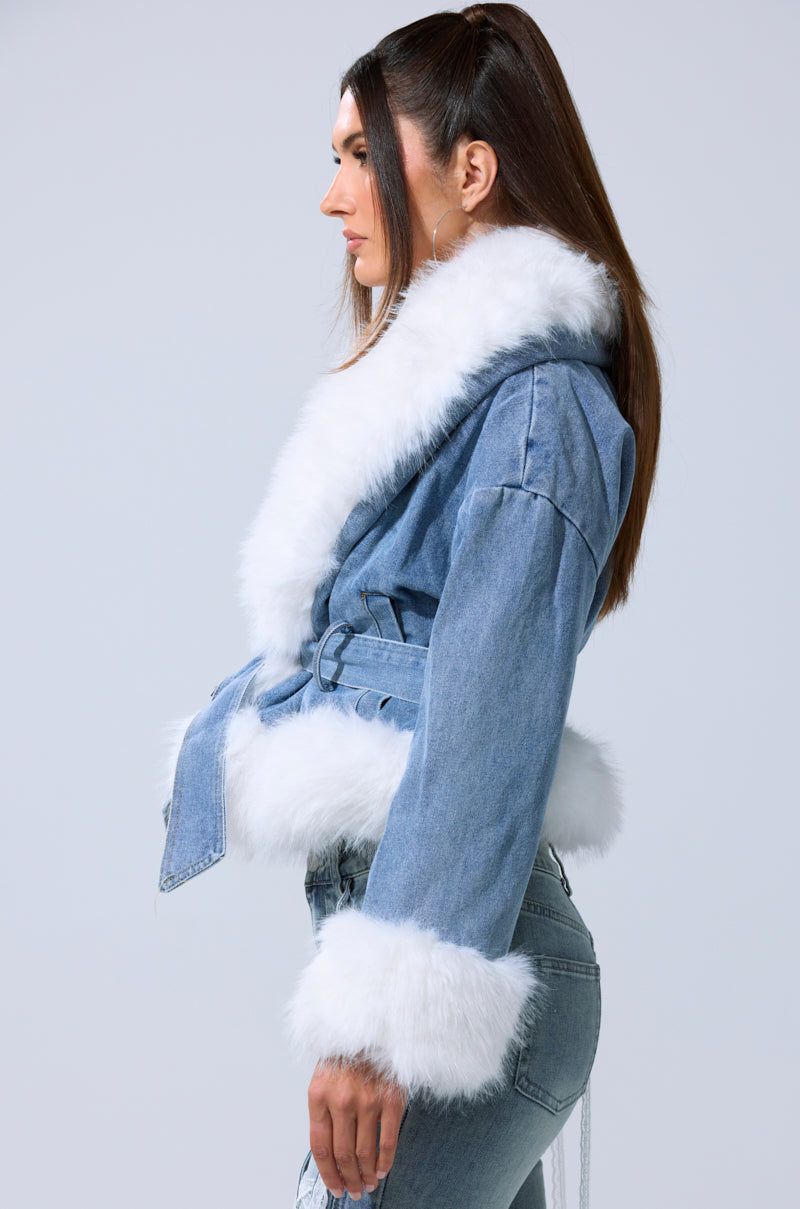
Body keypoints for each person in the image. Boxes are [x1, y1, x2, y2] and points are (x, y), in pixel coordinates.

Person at [158, 5, 661, 1206]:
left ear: (469, 171)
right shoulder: (448, 410)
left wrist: (379, 1023)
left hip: (463, 979)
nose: (332, 198)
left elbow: (486, 719)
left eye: (356, 157)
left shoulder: (538, 413)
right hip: (434, 938)